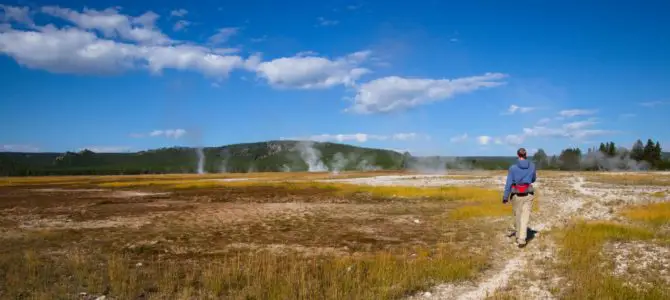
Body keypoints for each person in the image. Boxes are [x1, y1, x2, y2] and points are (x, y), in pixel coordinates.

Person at [502, 147, 537, 248]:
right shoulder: (532, 166)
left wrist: (505, 196)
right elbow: (534, 179)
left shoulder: (513, 168)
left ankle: (518, 237)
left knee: (517, 216)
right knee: (525, 217)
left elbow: (509, 183)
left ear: (518, 155)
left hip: (516, 195)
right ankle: (522, 239)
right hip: (528, 193)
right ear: (526, 155)